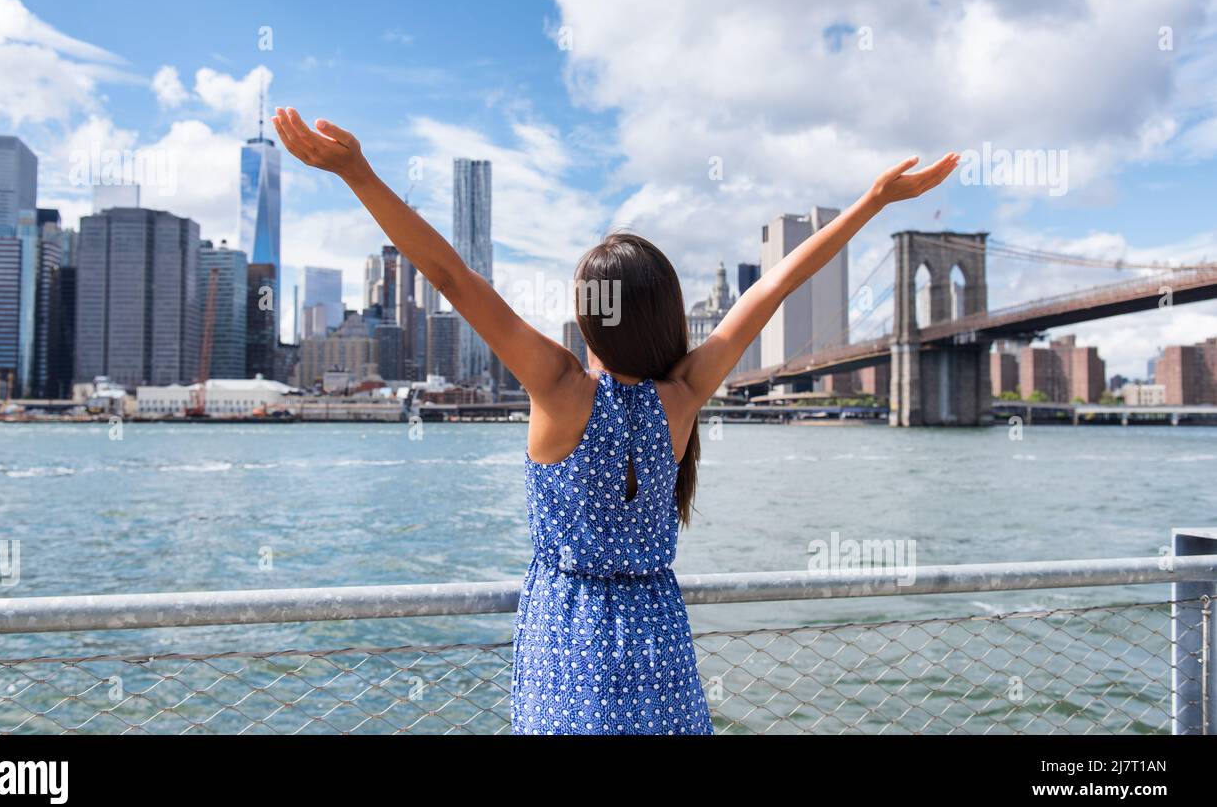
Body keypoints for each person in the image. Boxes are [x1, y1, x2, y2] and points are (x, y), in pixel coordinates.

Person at [270, 106, 958, 734]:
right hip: (659, 636)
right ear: (665, 315)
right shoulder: (684, 394)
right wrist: (874, 201)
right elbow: (772, 288)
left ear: (587, 320)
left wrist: (356, 172)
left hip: (570, 640)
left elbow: (451, 278)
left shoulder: (560, 387)